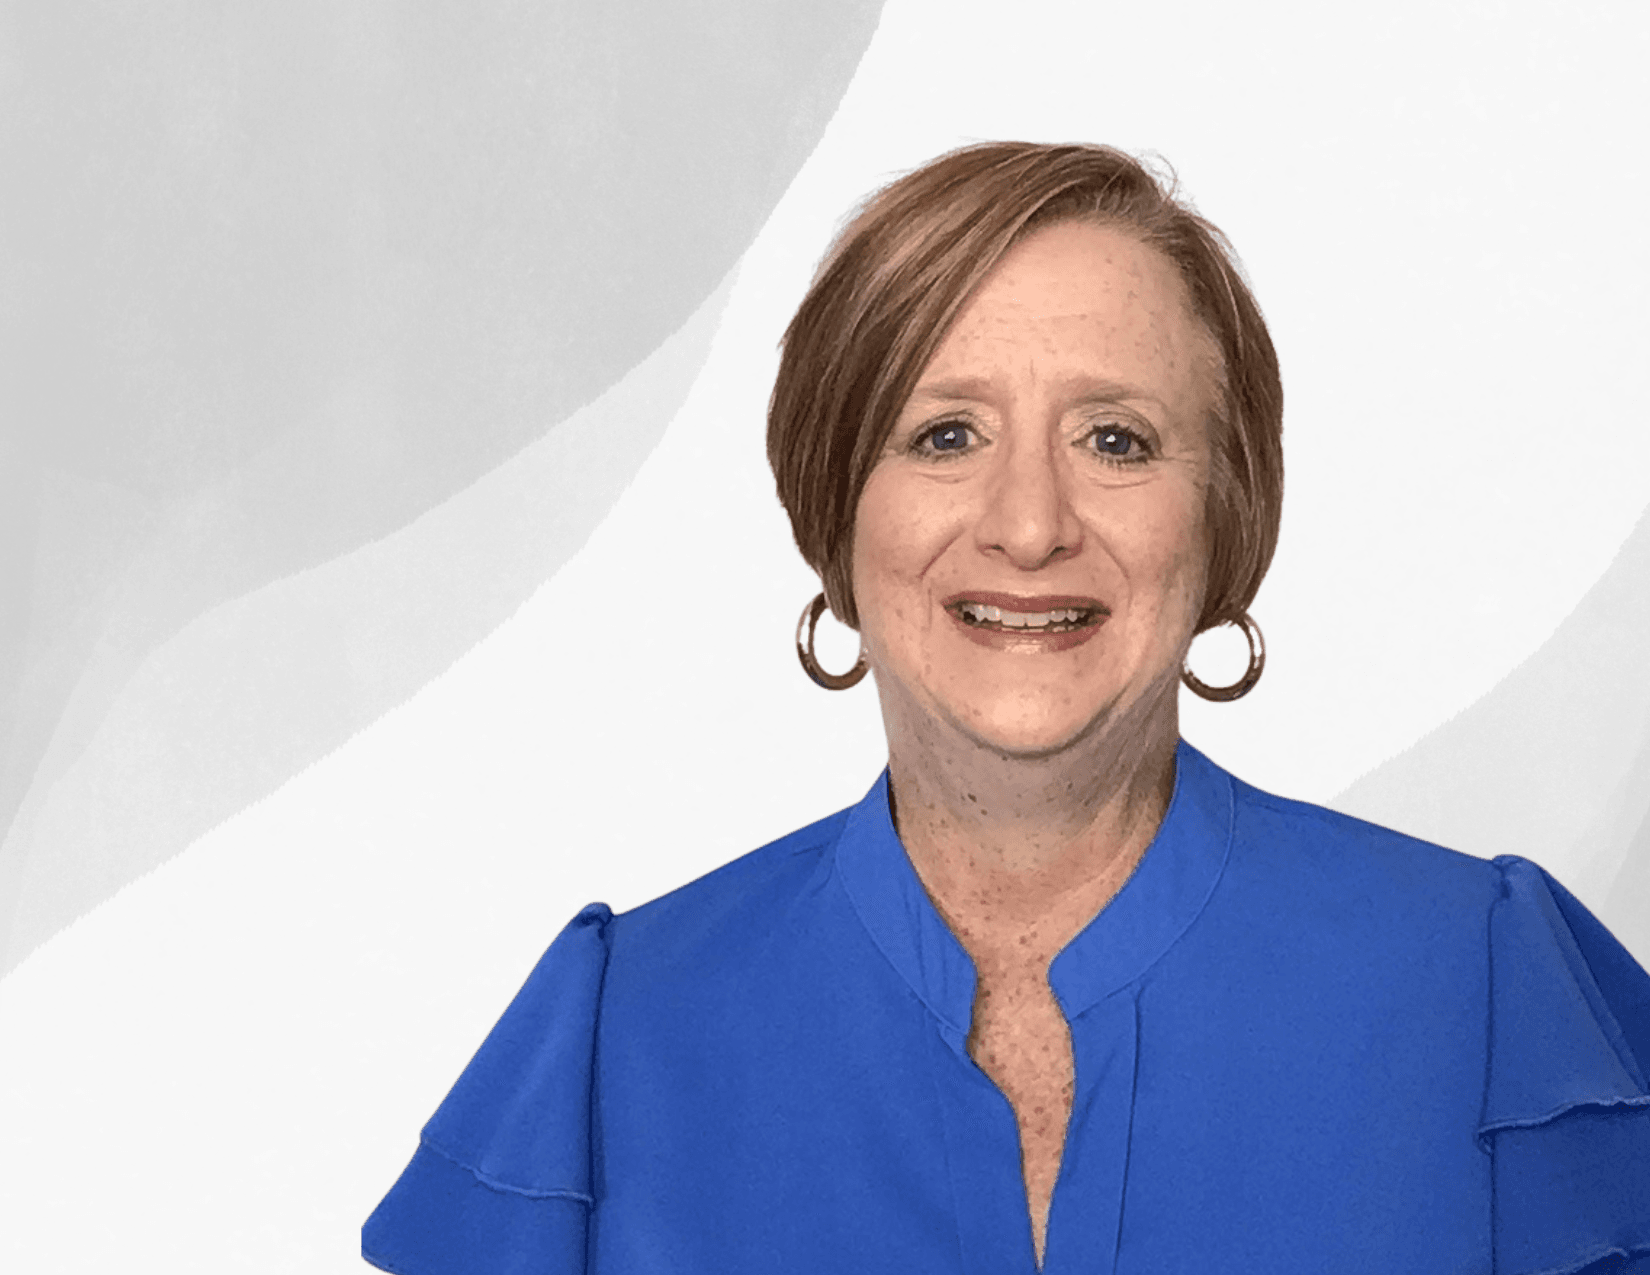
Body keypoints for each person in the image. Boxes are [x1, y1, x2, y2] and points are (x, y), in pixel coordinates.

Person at [362, 143, 1650, 1273]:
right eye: (944, 436)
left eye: (1117, 441)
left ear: (1225, 517)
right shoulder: (620, 1034)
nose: (1030, 527)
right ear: (837, 517)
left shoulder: (1482, 989)